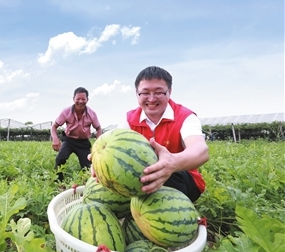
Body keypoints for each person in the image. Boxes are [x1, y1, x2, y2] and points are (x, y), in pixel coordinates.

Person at [92, 66, 209, 202]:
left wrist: (173, 162)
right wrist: (98, 162)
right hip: (143, 180)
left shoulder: (185, 117)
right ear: (137, 93)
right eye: (145, 93)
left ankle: (174, 214)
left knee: (162, 171)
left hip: (184, 180)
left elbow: (200, 150)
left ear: (169, 92)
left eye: (159, 92)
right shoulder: (130, 119)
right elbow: (113, 148)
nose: (152, 99)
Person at [51, 87, 102, 182]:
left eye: (83, 99)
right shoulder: (66, 112)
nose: (80, 101)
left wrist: (98, 143)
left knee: (88, 166)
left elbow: (98, 128)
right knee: (60, 158)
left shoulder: (92, 114)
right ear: (73, 99)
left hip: (83, 143)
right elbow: (54, 126)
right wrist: (55, 138)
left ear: (87, 100)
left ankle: (89, 183)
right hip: (69, 140)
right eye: (78, 99)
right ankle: (58, 181)